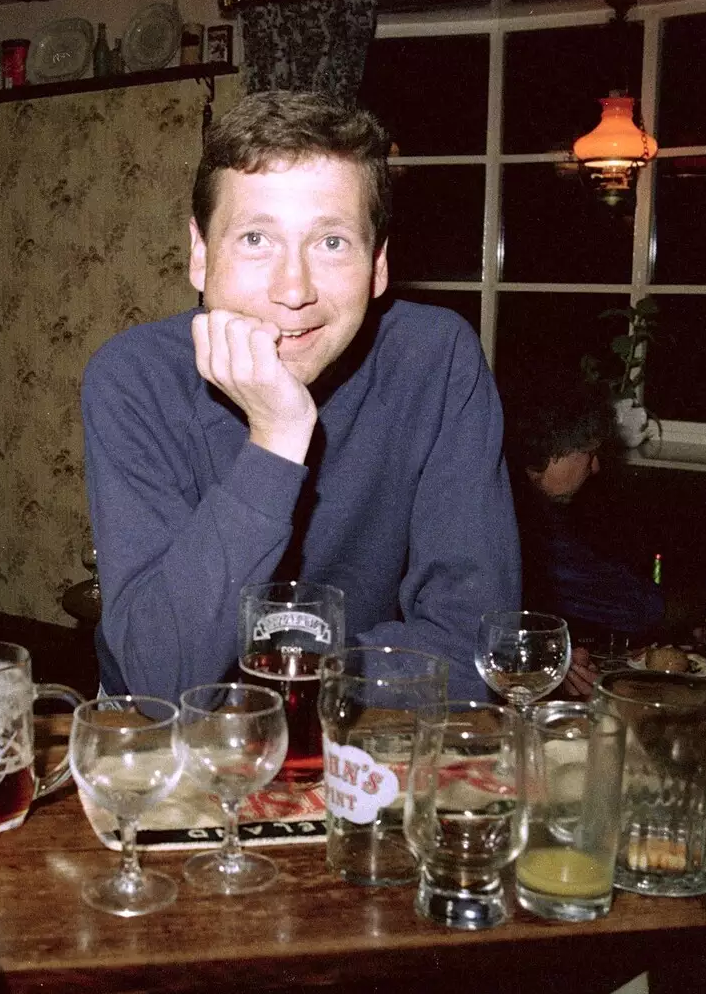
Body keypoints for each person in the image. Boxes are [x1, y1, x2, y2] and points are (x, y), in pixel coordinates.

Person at [80, 92, 519, 702]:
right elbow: (164, 675)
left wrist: (291, 676)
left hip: (362, 729)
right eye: (256, 238)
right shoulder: (132, 377)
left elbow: (478, 648)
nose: (294, 290)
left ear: (378, 264)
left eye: (332, 242)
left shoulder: (436, 358)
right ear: (201, 255)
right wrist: (277, 437)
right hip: (170, 747)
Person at [503, 369, 664, 694]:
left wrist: (550, 655)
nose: (595, 467)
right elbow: (635, 608)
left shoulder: (531, 505)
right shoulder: (512, 516)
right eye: (588, 453)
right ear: (550, 453)